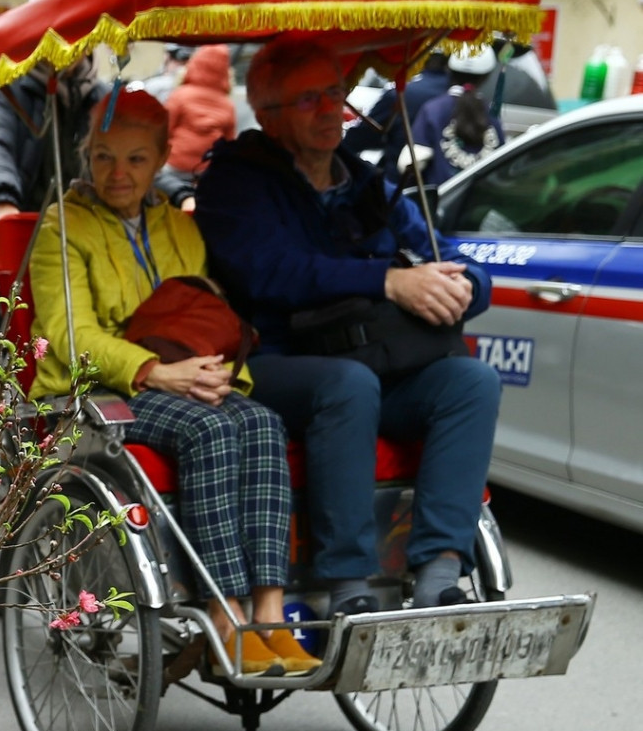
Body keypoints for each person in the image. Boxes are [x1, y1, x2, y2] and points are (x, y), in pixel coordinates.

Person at [195, 35, 499, 615]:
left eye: (335, 92)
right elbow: (272, 274)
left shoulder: (365, 183)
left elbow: (447, 251)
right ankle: (347, 582)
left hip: (377, 360)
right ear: (268, 114)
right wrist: (387, 281)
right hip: (272, 363)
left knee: (471, 382)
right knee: (346, 386)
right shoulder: (235, 182)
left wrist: (462, 287)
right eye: (309, 98)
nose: (331, 108)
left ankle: (440, 567)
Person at [28, 89, 317, 674]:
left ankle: (269, 609)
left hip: (183, 378)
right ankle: (222, 611)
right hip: (97, 392)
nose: (118, 173)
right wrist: (157, 371)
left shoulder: (178, 229)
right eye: (105, 156)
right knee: (211, 430)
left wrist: (220, 372)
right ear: (87, 154)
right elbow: (70, 334)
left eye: (136, 159)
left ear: (161, 157)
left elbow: (207, 317)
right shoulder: (64, 226)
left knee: (260, 421)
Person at [0, 0, 112, 235]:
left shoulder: (103, 97)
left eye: (77, 24)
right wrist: (2, 201)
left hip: (84, 235)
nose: (65, 39)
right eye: (54, 26)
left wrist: (178, 194)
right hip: (16, 234)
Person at [409, 44, 503, 185]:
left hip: (440, 199)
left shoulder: (433, 109)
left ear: (448, 69)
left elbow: (412, 162)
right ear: (486, 77)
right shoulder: (491, 114)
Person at [161, 45, 237, 209]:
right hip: (207, 170)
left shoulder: (180, 95)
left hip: (175, 166)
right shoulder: (227, 104)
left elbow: (163, 131)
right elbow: (230, 144)